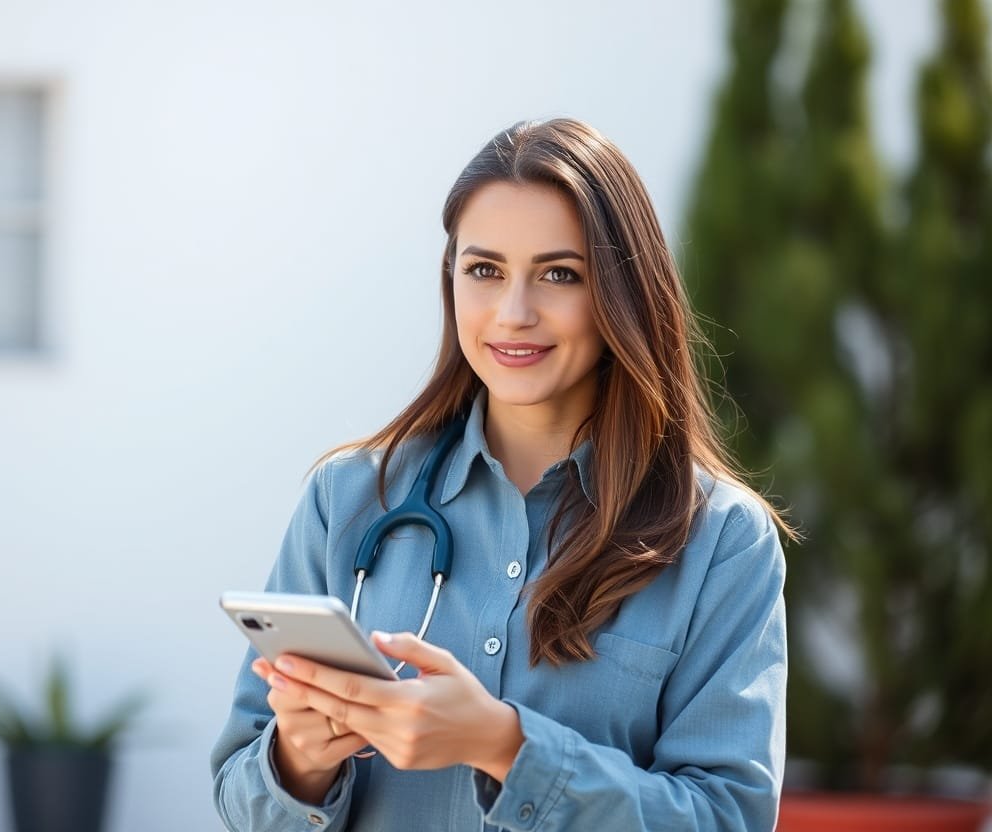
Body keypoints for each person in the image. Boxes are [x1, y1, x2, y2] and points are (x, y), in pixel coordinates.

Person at [210, 118, 792, 831]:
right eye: (485, 270)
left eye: (559, 274)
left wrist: (506, 747)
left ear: (623, 293)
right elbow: (240, 794)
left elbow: (729, 818)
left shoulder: (722, 540)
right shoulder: (347, 498)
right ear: (450, 279)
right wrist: (300, 761)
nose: (514, 314)